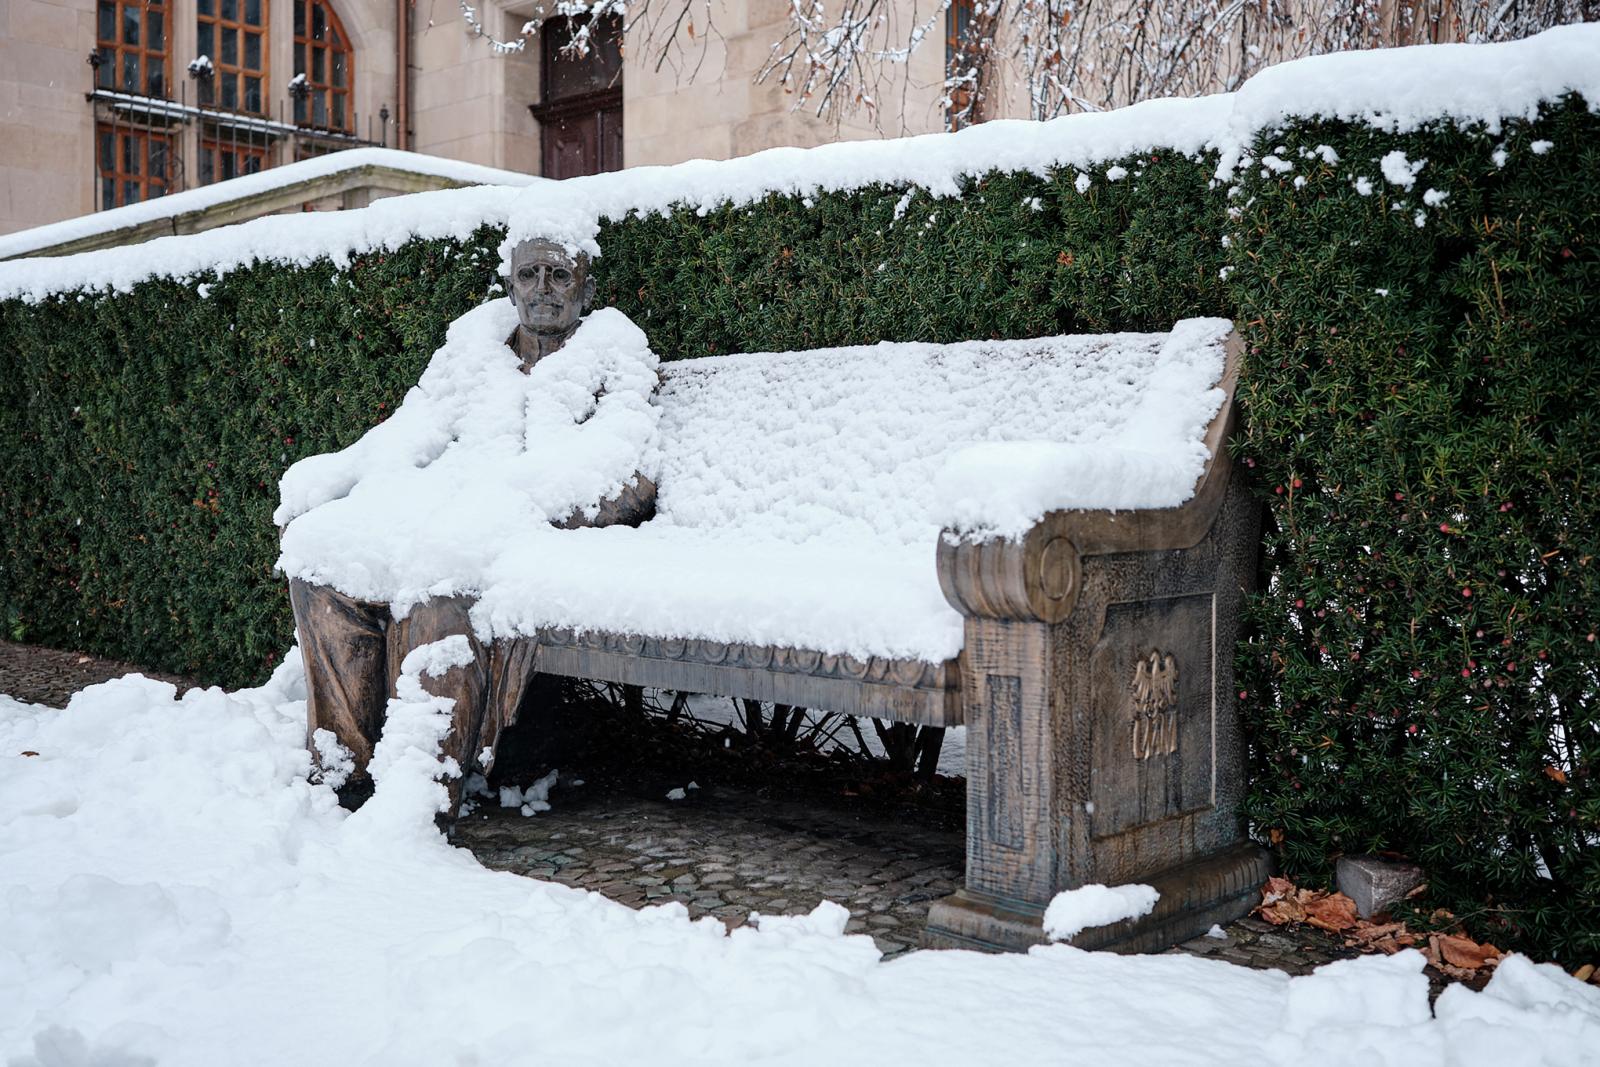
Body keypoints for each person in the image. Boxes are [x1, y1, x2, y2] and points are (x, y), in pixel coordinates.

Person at [283, 237, 655, 810]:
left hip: (530, 532)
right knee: (323, 569)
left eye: (559, 275)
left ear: (587, 289)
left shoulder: (615, 354)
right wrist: (334, 480)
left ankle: (417, 795)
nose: (542, 289)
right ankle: (343, 772)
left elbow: (631, 476)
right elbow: (410, 432)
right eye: (528, 275)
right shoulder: (474, 348)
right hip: (445, 515)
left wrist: (526, 506)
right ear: (510, 285)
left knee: (440, 597)